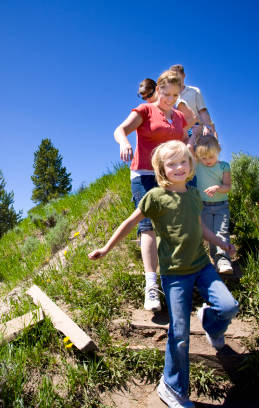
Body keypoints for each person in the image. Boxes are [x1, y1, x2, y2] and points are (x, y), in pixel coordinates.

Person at [88, 140, 239, 408]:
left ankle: (211, 323)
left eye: (183, 162)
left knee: (228, 306)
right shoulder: (156, 197)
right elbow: (130, 222)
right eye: (172, 164)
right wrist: (106, 248)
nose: (179, 167)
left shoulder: (194, 195)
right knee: (179, 333)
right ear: (162, 169)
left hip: (202, 266)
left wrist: (221, 243)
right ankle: (171, 386)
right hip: (175, 275)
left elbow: (201, 228)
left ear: (191, 165)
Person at [115, 71, 188, 312]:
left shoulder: (178, 116)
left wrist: (192, 146)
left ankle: (176, 280)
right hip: (144, 174)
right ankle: (151, 286)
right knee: (147, 226)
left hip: (169, 177)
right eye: (165, 94)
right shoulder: (145, 111)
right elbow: (120, 129)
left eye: (175, 95)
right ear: (157, 90)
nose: (169, 99)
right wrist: (124, 142)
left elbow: (184, 140)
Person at [194, 135, 233, 273]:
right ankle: (215, 259)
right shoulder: (197, 165)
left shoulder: (223, 166)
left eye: (211, 157)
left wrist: (218, 188)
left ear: (218, 151)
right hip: (203, 206)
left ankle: (223, 259)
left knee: (221, 231)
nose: (208, 161)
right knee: (210, 234)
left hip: (221, 205)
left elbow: (227, 186)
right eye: (203, 158)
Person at [169, 64, 216, 142]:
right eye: (173, 77)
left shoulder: (194, 91)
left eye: (178, 76)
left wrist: (207, 127)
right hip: (178, 133)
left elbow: (202, 112)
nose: (176, 79)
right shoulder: (169, 96)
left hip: (195, 129)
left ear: (183, 76)